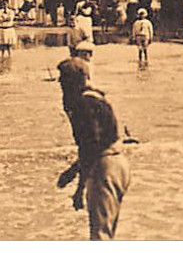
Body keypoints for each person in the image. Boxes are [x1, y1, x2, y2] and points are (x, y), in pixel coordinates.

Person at [54, 40, 131, 240]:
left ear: (73, 81)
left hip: (105, 167)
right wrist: (73, 172)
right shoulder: (95, 98)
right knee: (106, 232)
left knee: (99, 237)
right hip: (119, 164)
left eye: (63, 78)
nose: (60, 83)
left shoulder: (82, 104)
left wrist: (79, 188)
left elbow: (90, 147)